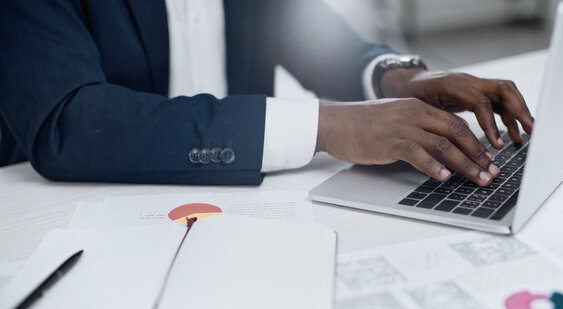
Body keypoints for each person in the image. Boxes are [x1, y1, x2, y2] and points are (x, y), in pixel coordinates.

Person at [0, 0, 533, 186]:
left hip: (242, 210)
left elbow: (316, 40)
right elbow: (68, 121)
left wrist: (398, 79)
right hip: (72, 216)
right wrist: (325, 125)